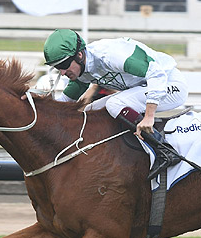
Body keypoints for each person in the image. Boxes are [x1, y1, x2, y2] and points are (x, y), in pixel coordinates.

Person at [42, 29, 188, 179]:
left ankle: (164, 150)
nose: (63, 72)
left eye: (65, 64)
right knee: (91, 110)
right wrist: (38, 106)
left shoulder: (111, 56)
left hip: (169, 84)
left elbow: (157, 74)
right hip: (145, 88)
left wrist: (149, 116)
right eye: (58, 67)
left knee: (114, 103)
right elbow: (64, 103)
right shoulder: (82, 69)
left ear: (79, 55)